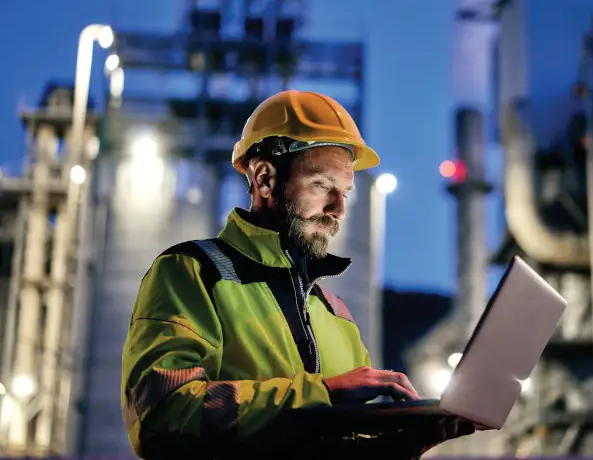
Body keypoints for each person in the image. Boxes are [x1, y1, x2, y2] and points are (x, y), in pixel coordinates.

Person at [121, 90, 476, 459]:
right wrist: (321, 393)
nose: (338, 208)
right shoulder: (194, 273)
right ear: (264, 179)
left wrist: (407, 442)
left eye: (345, 192)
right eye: (322, 185)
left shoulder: (336, 315)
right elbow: (161, 416)